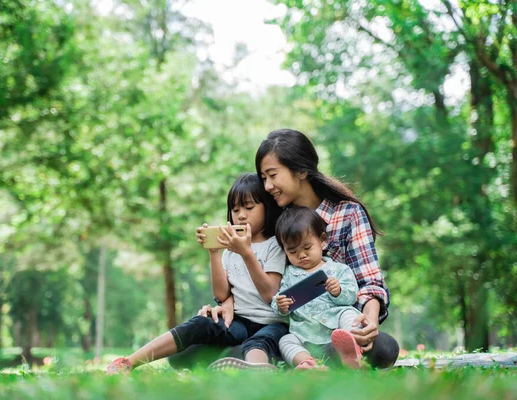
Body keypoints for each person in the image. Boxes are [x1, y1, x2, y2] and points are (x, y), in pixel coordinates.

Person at [106, 173, 288, 374]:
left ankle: (256, 371)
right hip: (239, 322)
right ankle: (128, 362)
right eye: (235, 210)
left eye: (249, 207)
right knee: (202, 324)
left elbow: (270, 293)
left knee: (259, 342)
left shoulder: (274, 245)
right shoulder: (229, 250)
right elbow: (221, 294)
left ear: (267, 208)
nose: (241, 215)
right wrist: (214, 253)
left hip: (272, 323)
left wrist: (246, 253)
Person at [255, 128, 399, 368]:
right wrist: (222, 304)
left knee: (384, 349)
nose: (267, 186)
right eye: (263, 178)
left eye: (272, 175)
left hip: (339, 325)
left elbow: (370, 282)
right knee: (193, 350)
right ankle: (294, 359)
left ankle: (329, 356)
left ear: (301, 170)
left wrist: (369, 321)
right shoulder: (274, 221)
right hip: (293, 331)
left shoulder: (348, 214)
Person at [273, 206, 362, 370]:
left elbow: (352, 297)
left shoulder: (338, 269)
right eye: (292, 251)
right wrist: (280, 305)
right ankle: (307, 363)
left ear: (322, 240)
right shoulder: (289, 273)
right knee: (285, 341)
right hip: (304, 334)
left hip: (335, 330)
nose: (301, 255)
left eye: (307, 248)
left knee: (348, 313)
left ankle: (351, 346)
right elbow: (280, 298)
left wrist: (339, 291)